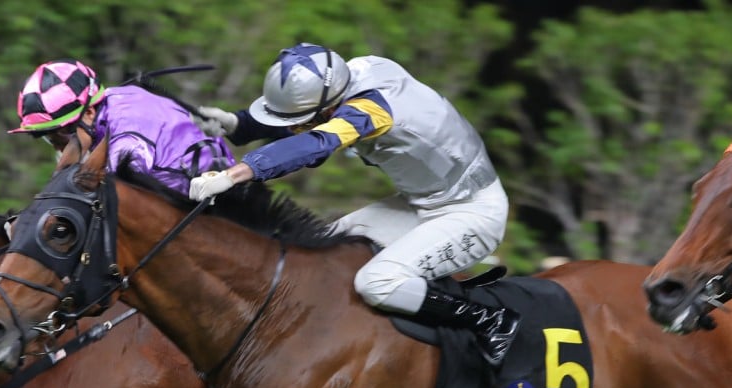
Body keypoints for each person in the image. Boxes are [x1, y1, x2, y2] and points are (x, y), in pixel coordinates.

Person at [189, 43, 517, 366]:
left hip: (472, 214)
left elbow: (316, 142)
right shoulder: (349, 75)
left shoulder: (372, 109)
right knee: (317, 256)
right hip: (418, 205)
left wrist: (235, 174)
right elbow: (305, 123)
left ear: (331, 106)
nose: (297, 125)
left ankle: (489, 320)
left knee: (376, 283)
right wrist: (237, 123)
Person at [10, 59, 233, 194]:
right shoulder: (109, 100)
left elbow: (110, 197)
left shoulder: (127, 136)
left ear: (88, 112)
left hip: (211, 209)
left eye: (59, 135)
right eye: (48, 138)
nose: (58, 146)